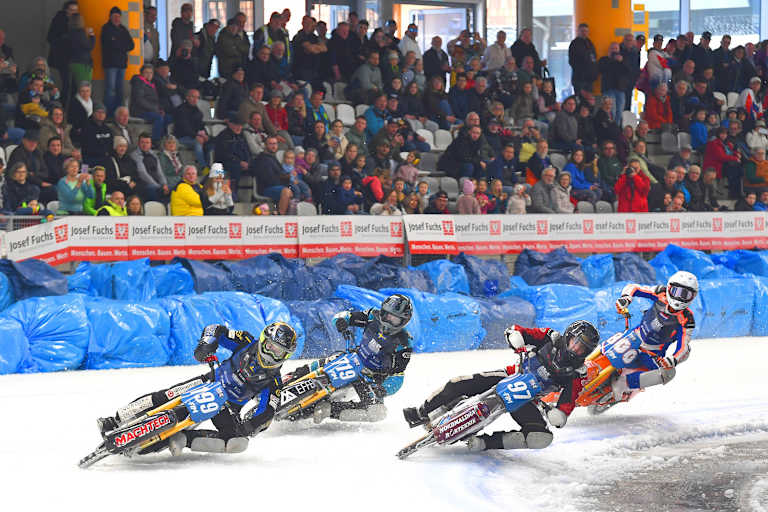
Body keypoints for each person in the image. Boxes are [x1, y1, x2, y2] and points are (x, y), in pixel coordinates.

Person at [97, 322, 297, 456]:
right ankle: (116, 419)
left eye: (279, 352)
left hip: (226, 407)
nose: (273, 354)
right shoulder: (245, 341)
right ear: (263, 340)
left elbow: (267, 411)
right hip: (209, 381)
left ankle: (182, 438)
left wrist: (250, 426)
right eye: (271, 346)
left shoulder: (274, 382)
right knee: (166, 396)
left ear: (286, 356)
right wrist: (205, 346)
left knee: (237, 442)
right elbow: (215, 329)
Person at [403, 321, 599, 451]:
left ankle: (484, 443)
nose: (575, 349)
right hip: (511, 374)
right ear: (568, 336)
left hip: (527, 399)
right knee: (458, 383)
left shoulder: (577, 373)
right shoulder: (550, 337)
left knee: (540, 437)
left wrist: (560, 414)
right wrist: (516, 337)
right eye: (575, 343)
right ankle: (422, 413)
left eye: (582, 348)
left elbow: (568, 402)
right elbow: (520, 331)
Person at [287, 295, 413, 423]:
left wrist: (384, 389)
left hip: (370, 379)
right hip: (352, 359)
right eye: (387, 315)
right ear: (382, 311)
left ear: (404, 321)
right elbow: (345, 316)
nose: (389, 320)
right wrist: (341, 321)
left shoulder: (404, 344)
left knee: (377, 412)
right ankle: (290, 378)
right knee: (319, 365)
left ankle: (328, 409)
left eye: (395, 319)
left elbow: (398, 375)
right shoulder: (372, 315)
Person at [612, 272, 697, 400]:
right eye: (676, 291)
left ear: (692, 297)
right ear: (669, 288)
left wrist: (673, 359)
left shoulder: (687, 319)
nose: (679, 298)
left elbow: (683, 346)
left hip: (653, 354)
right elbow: (634, 287)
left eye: (685, 294)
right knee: (613, 342)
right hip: (634, 336)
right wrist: (626, 298)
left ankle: (625, 383)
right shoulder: (660, 292)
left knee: (668, 373)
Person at [101, 7, 135, 117]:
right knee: (110, 90)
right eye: (114, 16)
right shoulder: (106, 29)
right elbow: (109, 45)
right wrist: (121, 45)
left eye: (118, 17)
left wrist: (117, 43)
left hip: (122, 64)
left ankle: (119, 114)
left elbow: (131, 45)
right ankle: (109, 114)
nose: (117, 19)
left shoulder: (123, 29)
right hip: (110, 64)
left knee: (120, 90)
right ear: (110, 17)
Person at [130, 64, 171, 143]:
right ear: (141, 73)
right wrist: (155, 109)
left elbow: (155, 101)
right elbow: (139, 100)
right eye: (146, 72)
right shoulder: (139, 83)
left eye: (151, 73)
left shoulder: (151, 84)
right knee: (159, 118)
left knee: (168, 118)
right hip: (139, 111)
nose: (149, 75)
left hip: (151, 110)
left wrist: (160, 109)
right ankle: (155, 141)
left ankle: (163, 139)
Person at [174, 89, 210, 170]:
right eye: (193, 97)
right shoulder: (180, 110)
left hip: (194, 136)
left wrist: (205, 135)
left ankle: (211, 167)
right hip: (181, 137)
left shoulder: (197, 111)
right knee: (198, 143)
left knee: (210, 143)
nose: (195, 99)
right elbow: (184, 128)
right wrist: (196, 136)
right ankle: (204, 168)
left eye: (197, 97)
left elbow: (201, 126)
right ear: (187, 97)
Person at [131, 132, 169, 202]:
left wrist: (164, 184)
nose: (145, 145)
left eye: (147, 142)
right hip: (143, 184)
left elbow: (159, 172)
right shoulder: (135, 155)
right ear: (138, 143)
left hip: (157, 183)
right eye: (142, 142)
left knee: (171, 189)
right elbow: (142, 173)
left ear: (151, 144)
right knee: (154, 189)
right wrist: (157, 186)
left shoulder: (154, 154)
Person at [569, 23, 598, 99]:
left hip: (589, 78)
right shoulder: (574, 43)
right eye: (582, 31)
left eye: (586, 31)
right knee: (580, 100)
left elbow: (594, 57)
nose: (584, 33)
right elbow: (572, 61)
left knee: (588, 101)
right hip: (579, 78)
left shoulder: (589, 42)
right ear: (578, 31)